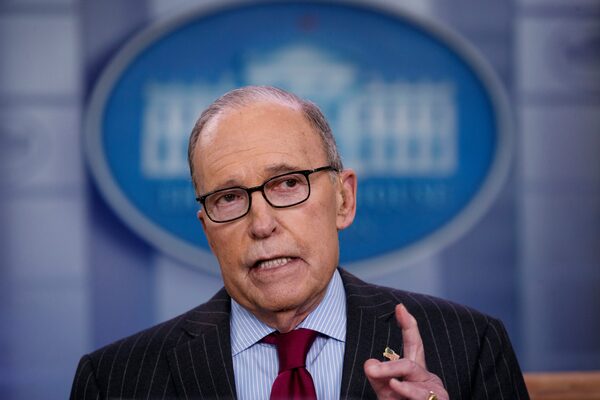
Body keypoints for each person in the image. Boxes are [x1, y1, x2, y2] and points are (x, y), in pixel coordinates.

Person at [70, 86, 529, 400]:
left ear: (344, 200)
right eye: (229, 198)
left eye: (288, 184)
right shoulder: (115, 381)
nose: (262, 224)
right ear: (208, 229)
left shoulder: (470, 346)